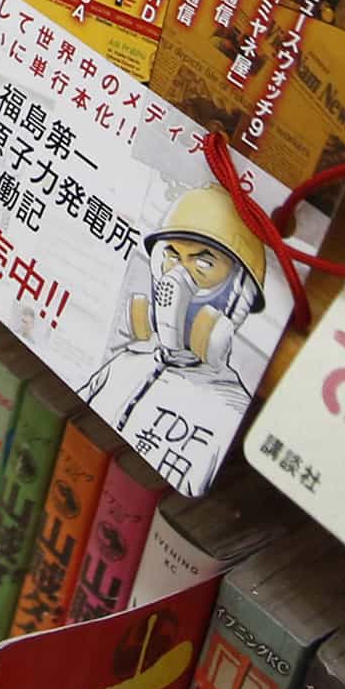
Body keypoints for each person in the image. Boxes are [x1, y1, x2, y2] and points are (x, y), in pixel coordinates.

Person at [79, 182, 273, 481]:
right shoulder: (123, 365)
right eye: (171, 256)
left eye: (203, 263)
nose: (176, 278)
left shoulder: (231, 416)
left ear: (238, 299)